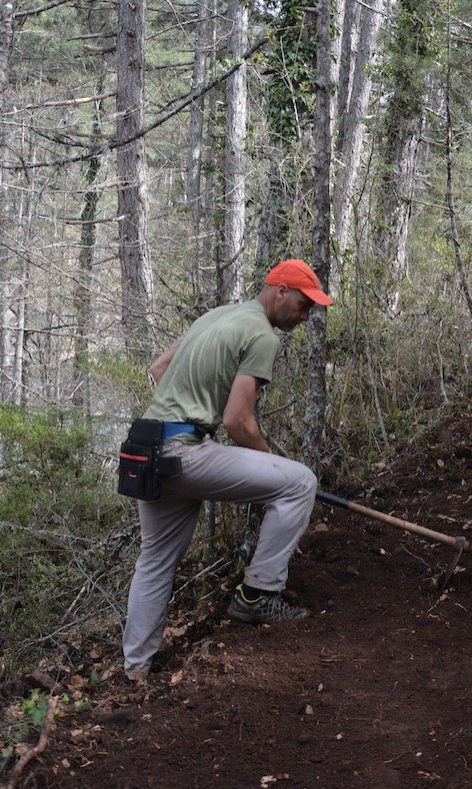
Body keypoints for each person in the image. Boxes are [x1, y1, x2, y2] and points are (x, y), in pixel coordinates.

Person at [122, 259, 333, 683]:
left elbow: (159, 369)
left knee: (155, 561)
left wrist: (191, 410)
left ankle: (134, 671)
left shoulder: (216, 316)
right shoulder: (261, 334)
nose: (306, 315)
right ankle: (258, 595)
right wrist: (270, 462)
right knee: (299, 482)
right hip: (182, 453)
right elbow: (239, 420)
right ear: (279, 292)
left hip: (145, 451)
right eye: (304, 304)